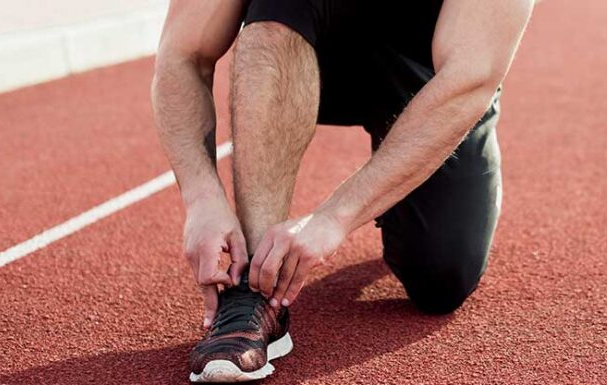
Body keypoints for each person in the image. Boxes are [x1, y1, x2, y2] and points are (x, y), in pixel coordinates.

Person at [151, 0, 533, 382]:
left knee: (441, 278)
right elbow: (182, 52)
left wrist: (335, 217)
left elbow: (469, 77)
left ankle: (431, 152)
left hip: (430, 74)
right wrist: (201, 195)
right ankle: (254, 288)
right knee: (277, 9)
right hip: (301, 53)